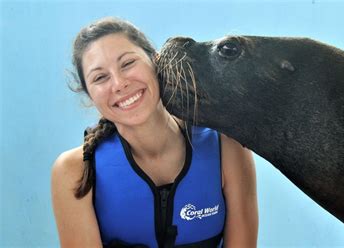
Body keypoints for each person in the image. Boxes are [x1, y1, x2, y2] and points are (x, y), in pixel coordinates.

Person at [51, 17, 258, 248]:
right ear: (90, 95)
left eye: (127, 63)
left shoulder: (226, 144)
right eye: (100, 77)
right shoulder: (75, 171)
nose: (119, 84)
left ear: (155, 60)